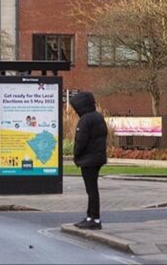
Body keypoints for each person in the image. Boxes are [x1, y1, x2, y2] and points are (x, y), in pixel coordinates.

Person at [70, 91, 108, 230]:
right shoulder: (98, 117)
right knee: (92, 189)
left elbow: (81, 141)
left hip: (88, 160)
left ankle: (95, 219)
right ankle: (90, 216)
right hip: (97, 158)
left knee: (91, 190)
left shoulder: (85, 120)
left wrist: (76, 156)